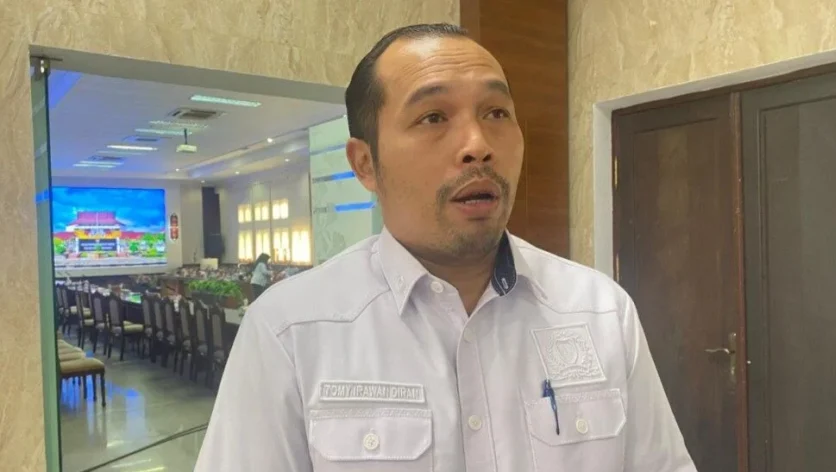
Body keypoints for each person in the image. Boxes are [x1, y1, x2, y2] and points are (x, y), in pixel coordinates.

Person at [195, 24, 696, 472]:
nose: (478, 145)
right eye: (433, 117)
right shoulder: (291, 330)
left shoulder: (600, 311)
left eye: (496, 112)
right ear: (365, 164)